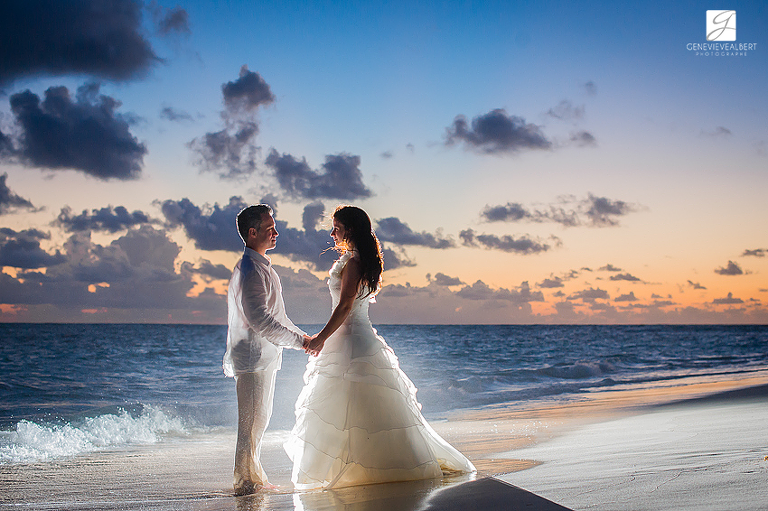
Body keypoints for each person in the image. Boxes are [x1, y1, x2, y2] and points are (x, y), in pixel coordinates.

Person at [285, 205, 476, 489]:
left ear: (349, 230)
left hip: (351, 339)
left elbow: (345, 306)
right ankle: (361, 466)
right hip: (355, 337)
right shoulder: (358, 260)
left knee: (353, 405)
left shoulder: (354, 263)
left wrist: (320, 337)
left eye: (336, 228)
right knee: (357, 406)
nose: (332, 233)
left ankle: (367, 467)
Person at [223, 204, 311, 495]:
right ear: (253, 232)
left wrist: (304, 339)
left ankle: (253, 476)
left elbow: (279, 317)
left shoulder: (262, 267)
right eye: (270, 228)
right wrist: (301, 342)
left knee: (259, 419)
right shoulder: (250, 269)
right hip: (252, 356)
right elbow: (260, 319)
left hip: (264, 355)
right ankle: (245, 481)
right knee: (250, 421)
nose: (276, 233)